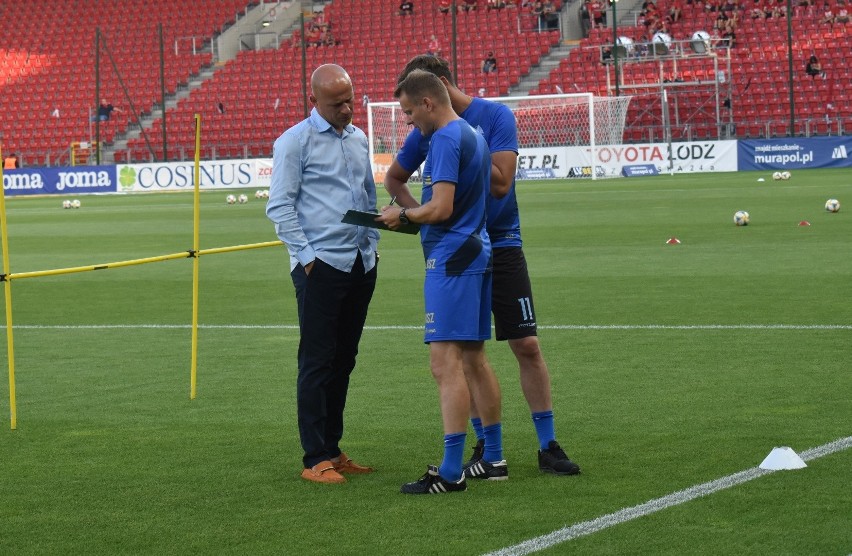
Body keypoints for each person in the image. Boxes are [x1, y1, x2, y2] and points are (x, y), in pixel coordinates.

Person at [384, 55, 581, 479]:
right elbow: (394, 178)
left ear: (432, 90)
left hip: (500, 242)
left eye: (411, 110)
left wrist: (443, 199)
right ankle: (488, 450)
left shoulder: (486, 120)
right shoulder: (432, 129)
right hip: (459, 246)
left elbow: (502, 181)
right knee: (468, 352)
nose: (409, 121)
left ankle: (547, 444)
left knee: (524, 345)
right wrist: (426, 219)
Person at [376, 69, 499, 494]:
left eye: (410, 112)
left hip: (452, 260)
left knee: (444, 365)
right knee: (473, 359)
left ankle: (450, 472)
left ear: (429, 102)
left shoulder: (445, 138)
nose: (409, 122)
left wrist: (402, 214)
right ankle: (494, 456)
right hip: (475, 251)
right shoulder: (471, 134)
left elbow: (441, 207)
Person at [266, 64, 380, 485]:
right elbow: (279, 206)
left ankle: (333, 448)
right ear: (313, 100)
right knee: (317, 361)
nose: (347, 109)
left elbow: (368, 193)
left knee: (344, 359)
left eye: (350, 100)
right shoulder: (294, 142)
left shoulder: (359, 137)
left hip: (360, 262)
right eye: (337, 104)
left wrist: (372, 246)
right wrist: (307, 258)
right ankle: (314, 456)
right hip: (321, 267)